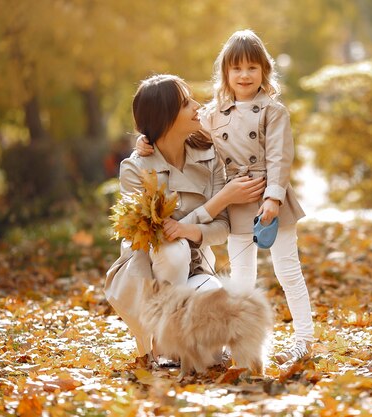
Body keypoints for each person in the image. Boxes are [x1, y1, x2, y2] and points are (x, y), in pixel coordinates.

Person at [137, 30, 314, 365]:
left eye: (252, 68)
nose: (244, 75)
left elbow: (280, 156)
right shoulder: (214, 112)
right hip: (235, 204)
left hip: (268, 200)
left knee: (288, 271)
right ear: (225, 74)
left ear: (264, 71)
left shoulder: (272, 111)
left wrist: (274, 198)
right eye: (236, 69)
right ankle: (244, 343)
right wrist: (143, 144)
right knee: (241, 279)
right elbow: (178, 128)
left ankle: (303, 339)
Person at [106, 74, 265, 359]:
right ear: (165, 117)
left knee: (213, 347)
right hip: (148, 279)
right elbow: (155, 237)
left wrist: (190, 227)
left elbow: (221, 228)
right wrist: (221, 199)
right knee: (173, 249)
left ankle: (175, 344)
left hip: (197, 267)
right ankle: (161, 340)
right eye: (185, 103)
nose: (196, 106)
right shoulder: (135, 169)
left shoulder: (209, 156)